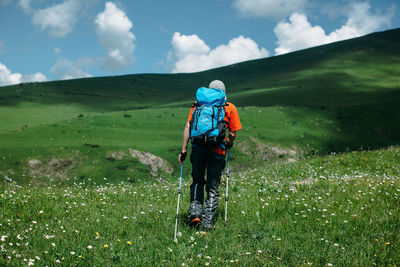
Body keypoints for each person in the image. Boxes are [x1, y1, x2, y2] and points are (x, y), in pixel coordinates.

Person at [178, 80, 242, 231]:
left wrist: (184, 149)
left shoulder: (197, 106)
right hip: (217, 150)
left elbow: (188, 126)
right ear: (224, 92)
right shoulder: (229, 107)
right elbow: (233, 132)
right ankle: (208, 221)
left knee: (198, 181)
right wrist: (229, 143)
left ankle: (194, 214)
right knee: (213, 186)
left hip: (198, 149)